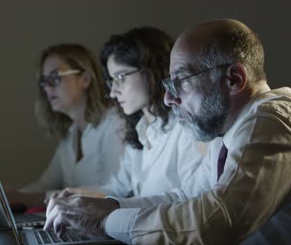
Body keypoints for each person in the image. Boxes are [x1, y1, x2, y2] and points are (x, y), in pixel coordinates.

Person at [44, 19, 291, 245]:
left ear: (234, 79)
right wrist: (108, 208)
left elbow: (216, 224)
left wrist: (105, 223)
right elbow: (187, 198)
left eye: (182, 82)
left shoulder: (273, 122)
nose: (169, 98)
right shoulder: (226, 131)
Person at [55, 27, 205, 200]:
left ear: (152, 71)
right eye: (112, 81)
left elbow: (191, 200)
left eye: (120, 78)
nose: (113, 92)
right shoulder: (140, 130)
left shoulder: (186, 129)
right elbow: (119, 187)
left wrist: (118, 208)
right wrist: (74, 196)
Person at [7, 44, 125, 208]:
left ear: (85, 79)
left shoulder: (114, 123)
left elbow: (113, 191)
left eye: (55, 77)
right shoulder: (71, 133)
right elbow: (45, 183)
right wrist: (8, 196)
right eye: (44, 81)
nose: (47, 88)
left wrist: (26, 198)